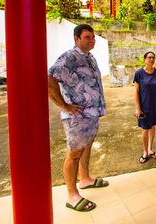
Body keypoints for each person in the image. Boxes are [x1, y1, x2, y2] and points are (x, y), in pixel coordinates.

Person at [48, 24, 108, 212]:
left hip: (91, 114)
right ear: (77, 38)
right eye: (87, 37)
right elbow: (50, 80)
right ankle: (72, 195)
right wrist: (64, 106)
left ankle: (85, 179)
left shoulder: (89, 58)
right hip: (77, 117)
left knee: (86, 146)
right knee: (74, 154)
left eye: (93, 37)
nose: (92, 40)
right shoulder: (69, 57)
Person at [133, 51, 156, 164]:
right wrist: (138, 108)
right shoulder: (139, 73)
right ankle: (145, 152)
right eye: (149, 57)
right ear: (144, 59)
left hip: (155, 106)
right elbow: (136, 92)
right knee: (145, 129)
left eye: (153, 57)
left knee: (152, 127)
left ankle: (151, 149)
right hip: (144, 107)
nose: (151, 59)